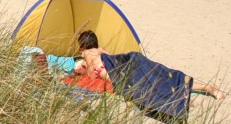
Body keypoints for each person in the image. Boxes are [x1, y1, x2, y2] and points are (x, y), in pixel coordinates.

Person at [77, 30, 223, 99]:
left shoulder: (86, 56)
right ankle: (207, 87)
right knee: (163, 78)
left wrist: (81, 68)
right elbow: (112, 60)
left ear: (82, 46)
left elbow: (91, 75)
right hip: (126, 67)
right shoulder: (100, 50)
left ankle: (196, 91)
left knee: (155, 87)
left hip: (120, 78)